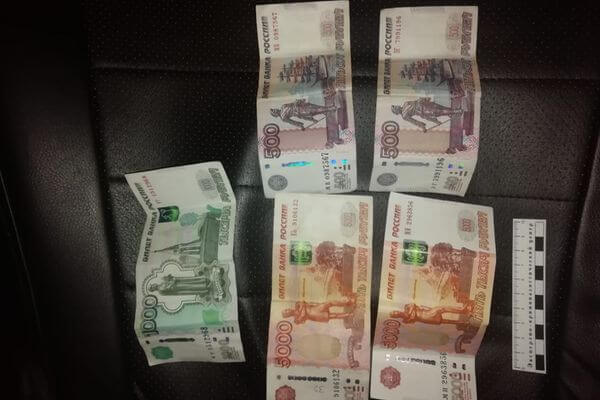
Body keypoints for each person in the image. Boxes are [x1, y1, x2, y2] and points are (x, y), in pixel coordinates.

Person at [391, 97, 462, 133]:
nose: (397, 106)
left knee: (440, 111)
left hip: (423, 111)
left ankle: (455, 111)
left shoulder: (404, 115)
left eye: (395, 106)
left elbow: (415, 122)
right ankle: (453, 111)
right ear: (396, 111)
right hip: (423, 104)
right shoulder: (406, 103)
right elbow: (417, 101)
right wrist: (425, 99)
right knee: (440, 108)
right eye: (395, 107)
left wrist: (423, 127)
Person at [271, 99, 338, 131]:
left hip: (300, 105)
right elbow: (293, 122)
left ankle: (329, 108)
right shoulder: (283, 117)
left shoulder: (283, 106)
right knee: (315, 110)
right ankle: (331, 108)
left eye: (274, 109)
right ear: (275, 115)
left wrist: (297, 101)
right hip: (300, 112)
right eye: (274, 111)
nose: (275, 110)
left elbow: (292, 103)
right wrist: (301, 126)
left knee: (316, 107)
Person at [281, 297, 355, 324]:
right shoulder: (296, 320)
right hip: (315, 316)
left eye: (286, 309)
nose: (288, 310)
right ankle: (349, 315)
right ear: (288, 315)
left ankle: (347, 303)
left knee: (329, 303)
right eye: (286, 311)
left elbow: (303, 303)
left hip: (315, 308)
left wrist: (302, 307)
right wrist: (303, 307)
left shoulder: (297, 304)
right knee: (333, 316)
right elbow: (303, 315)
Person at [390, 302, 474, 326]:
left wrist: (409, 313)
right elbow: (412, 321)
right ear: (396, 317)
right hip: (426, 318)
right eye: (394, 314)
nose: (396, 313)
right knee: (442, 311)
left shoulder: (406, 307)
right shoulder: (405, 320)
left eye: (394, 311)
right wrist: (411, 313)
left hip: (427, 312)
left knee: (442, 308)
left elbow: (412, 304)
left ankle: (463, 310)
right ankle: (464, 314)